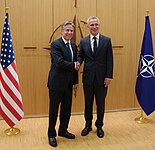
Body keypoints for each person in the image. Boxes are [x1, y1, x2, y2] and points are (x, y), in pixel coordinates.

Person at [78, 16, 113, 138]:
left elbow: (110, 60)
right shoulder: (83, 41)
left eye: (96, 24)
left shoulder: (107, 40)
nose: (94, 27)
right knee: (88, 103)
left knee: (100, 103)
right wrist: (77, 62)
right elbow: (81, 56)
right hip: (88, 78)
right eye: (92, 25)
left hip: (102, 79)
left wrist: (109, 76)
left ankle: (99, 126)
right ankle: (88, 125)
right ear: (88, 26)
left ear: (99, 25)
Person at [47, 21, 79, 147]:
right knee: (54, 110)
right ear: (62, 32)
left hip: (69, 83)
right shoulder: (55, 44)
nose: (69, 32)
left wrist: (75, 81)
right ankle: (51, 134)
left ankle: (63, 130)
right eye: (67, 30)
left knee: (66, 109)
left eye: (71, 31)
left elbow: (75, 66)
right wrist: (73, 65)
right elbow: (59, 62)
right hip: (56, 83)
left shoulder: (73, 46)